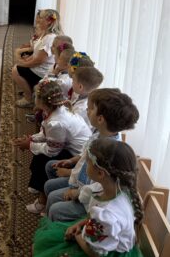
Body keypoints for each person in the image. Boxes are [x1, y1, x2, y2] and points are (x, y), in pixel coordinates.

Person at [33, 139, 143, 257]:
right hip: (98, 236)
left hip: (99, 251)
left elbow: (94, 253)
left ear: (100, 173)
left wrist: (77, 236)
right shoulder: (116, 190)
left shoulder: (107, 216)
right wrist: (80, 224)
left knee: (42, 248)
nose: (85, 164)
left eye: (88, 162)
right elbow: (95, 219)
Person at [44, 88, 139, 222]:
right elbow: (85, 154)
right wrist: (71, 161)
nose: (87, 110)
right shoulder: (99, 134)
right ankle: (51, 214)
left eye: (90, 108)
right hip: (81, 181)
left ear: (100, 119)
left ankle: (54, 223)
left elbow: (100, 187)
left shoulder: (110, 152)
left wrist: (76, 192)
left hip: (90, 199)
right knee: (49, 180)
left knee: (55, 205)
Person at [13, 80, 91, 214]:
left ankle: (42, 201)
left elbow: (51, 151)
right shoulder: (54, 110)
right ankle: (37, 184)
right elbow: (46, 134)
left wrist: (29, 145)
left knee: (42, 158)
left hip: (78, 156)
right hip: (70, 148)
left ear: (40, 101)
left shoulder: (56, 123)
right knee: (38, 154)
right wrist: (32, 139)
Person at [12, 9, 63, 107]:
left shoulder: (50, 38)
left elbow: (39, 60)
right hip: (40, 67)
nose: (38, 20)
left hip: (43, 72)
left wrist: (23, 64)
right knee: (19, 66)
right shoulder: (45, 34)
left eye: (41, 18)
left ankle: (28, 99)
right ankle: (31, 90)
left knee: (15, 70)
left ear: (48, 21)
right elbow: (36, 53)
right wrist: (27, 59)